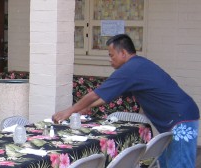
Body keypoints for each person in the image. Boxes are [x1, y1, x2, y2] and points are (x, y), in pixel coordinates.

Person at [52, 34, 199, 168]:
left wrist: (69, 111)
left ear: (123, 53)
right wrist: (86, 107)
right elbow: (105, 97)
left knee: (181, 165)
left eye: (112, 55)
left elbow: (95, 95)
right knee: (168, 163)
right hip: (176, 118)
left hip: (181, 119)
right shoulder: (138, 65)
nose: (110, 60)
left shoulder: (131, 69)